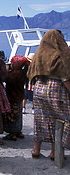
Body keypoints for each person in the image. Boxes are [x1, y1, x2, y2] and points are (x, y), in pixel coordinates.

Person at [27, 29, 70, 160]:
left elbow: (30, 74)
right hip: (57, 89)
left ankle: (36, 149)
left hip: (39, 88)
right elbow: (66, 77)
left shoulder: (39, 54)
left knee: (40, 119)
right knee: (62, 120)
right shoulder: (61, 55)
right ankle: (54, 152)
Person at [4, 55, 30, 141]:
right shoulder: (23, 74)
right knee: (18, 115)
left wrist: (6, 70)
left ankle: (13, 133)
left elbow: (4, 78)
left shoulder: (12, 75)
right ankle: (18, 131)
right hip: (19, 97)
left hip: (12, 98)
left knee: (12, 116)